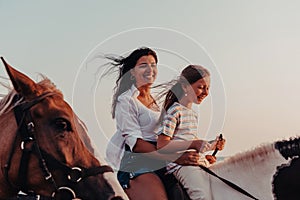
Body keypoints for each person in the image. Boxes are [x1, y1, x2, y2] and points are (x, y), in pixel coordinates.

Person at [105, 47, 201, 200]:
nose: (150, 69)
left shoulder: (157, 101)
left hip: (163, 159)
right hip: (138, 161)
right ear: (132, 72)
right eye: (143, 65)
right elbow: (136, 144)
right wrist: (175, 158)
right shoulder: (126, 101)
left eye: (153, 64)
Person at [156, 65, 226, 200]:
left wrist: (212, 146)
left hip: (192, 162)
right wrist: (194, 144)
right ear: (185, 86)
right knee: (201, 196)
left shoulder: (192, 114)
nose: (206, 92)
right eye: (201, 87)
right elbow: (162, 145)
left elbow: (187, 140)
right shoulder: (175, 111)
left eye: (208, 88)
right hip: (179, 165)